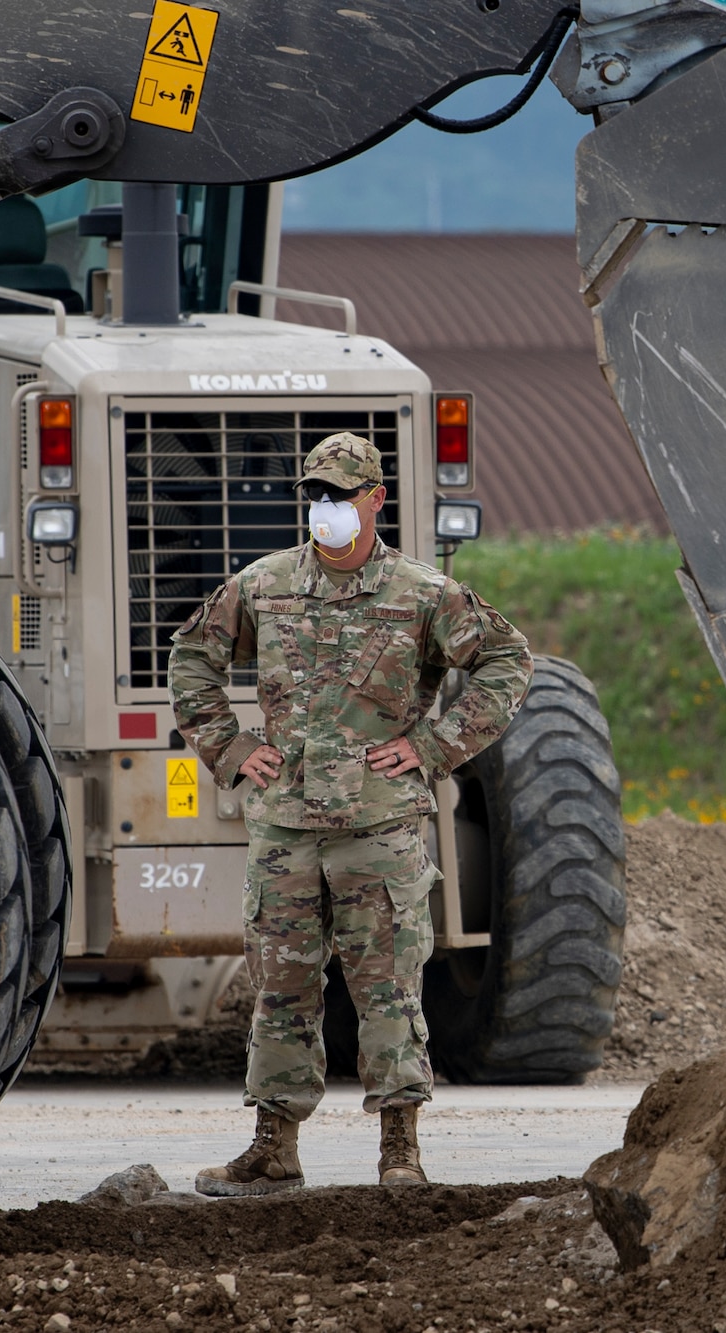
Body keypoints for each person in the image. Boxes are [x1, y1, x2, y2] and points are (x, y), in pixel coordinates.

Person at [168, 432, 532, 1194]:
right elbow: (193, 656)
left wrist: (434, 746)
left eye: (340, 494)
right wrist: (233, 752)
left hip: (379, 828)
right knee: (280, 989)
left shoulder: (422, 593)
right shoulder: (263, 585)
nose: (325, 509)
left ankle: (400, 1152)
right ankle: (273, 1148)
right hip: (286, 835)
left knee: (391, 991)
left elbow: (507, 660)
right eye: (316, 494)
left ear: (375, 500)